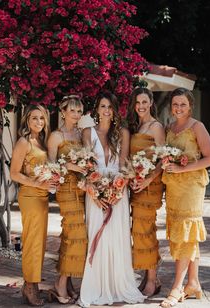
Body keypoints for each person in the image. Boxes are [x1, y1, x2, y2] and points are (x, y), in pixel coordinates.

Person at [78, 92, 146, 306]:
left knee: (116, 238)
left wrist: (117, 191)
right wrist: (95, 193)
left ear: (115, 110)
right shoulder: (87, 132)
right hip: (95, 193)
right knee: (98, 237)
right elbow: (86, 167)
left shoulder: (123, 133)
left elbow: (125, 166)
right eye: (102, 106)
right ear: (96, 109)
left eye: (110, 106)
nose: (106, 110)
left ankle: (118, 284)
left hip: (118, 193)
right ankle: (97, 286)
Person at [160, 88, 210, 307]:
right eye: (175, 104)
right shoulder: (170, 127)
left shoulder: (197, 126)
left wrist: (183, 169)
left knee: (186, 232)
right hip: (173, 187)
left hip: (191, 186)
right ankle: (192, 283)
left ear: (190, 105)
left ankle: (176, 288)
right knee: (183, 233)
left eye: (182, 104)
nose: (178, 108)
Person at [10, 104, 53, 306]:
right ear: (27, 120)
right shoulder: (23, 142)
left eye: (41, 118)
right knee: (32, 242)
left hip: (43, 196)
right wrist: (36, 183)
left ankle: (33, 283)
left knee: (40, 243)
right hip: (30, 196)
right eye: (34, 118)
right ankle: (29, 286)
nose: (38, 122)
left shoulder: (42, 141)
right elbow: (14, 173)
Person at [47, 95, 87, 304]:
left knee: (70, 235)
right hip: (66, 189)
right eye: (72, 110)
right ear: (63, 112)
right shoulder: (56, 136)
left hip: (82, 189)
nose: (77, 115)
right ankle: (60, 284)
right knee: (75, 233)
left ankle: (67, 282)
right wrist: (70, 166)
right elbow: (51, 165)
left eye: (79, 111)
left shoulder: (82, 134)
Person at [127, 87, 165, 297]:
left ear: (151, 102)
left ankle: (152, 279)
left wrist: (148, 179)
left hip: (150, 186)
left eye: (144, 102)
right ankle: (147, 276)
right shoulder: (137, 126)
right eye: (137, 102)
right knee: (139, 230)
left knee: (145, 230)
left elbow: (163, 159)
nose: (140, 106)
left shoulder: (156, 126)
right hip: (137, 185)